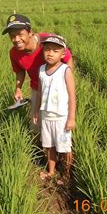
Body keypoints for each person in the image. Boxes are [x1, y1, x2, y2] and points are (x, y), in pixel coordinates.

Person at [2, 14, 73, 134]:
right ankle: (39, 148)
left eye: (20, 34)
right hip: (37, 88)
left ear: (30, 32)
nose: (16, 39)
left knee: (60, 123)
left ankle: (63, 149)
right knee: (36, 124)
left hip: (58, 89)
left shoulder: (48, 41)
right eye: (12, 36)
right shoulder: (14, 53)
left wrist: (67, 83)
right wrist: (18, 88)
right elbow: (20, 71)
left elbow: (68, 57)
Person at [33, 34, 76, 184]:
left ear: (63, 54)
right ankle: (51, 171)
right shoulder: (41, 70)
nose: (50, 53)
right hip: (46, 116)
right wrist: (36, 111)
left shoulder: (65, 70)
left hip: (61, 117)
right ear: (43, 51)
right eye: (47, 50)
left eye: (55, 51)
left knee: (64, 146)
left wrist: (71, 118)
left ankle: (66, 175)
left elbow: (72, 95)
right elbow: (39, 92)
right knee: (49, 145)